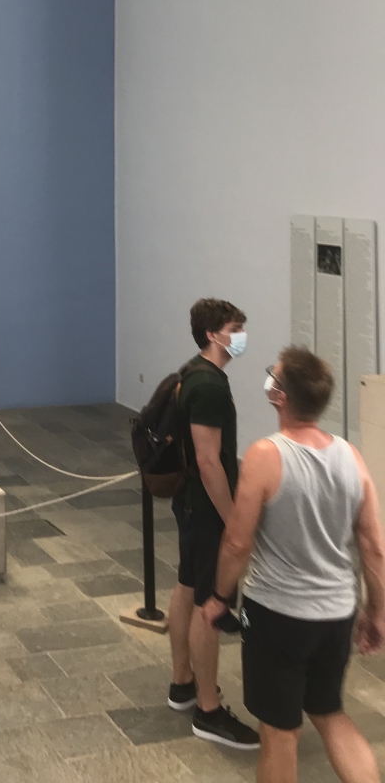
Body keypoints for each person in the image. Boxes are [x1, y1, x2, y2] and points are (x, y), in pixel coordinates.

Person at [203, 347, 385, 783]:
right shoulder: (351, 456)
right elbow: (374, 547)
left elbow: (237, 542)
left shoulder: (266, 455)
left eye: (274, 375)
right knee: (329, 712)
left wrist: (219, 597)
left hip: (277, 616)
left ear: (280, 396)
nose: (269, 379)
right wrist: (377, 611)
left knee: (279, 731)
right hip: (336, 615)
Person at [167, 298, 260, 748]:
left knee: (188, 587)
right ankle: (207, 710)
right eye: (234, 328)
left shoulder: (195, 374)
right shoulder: (207, 386)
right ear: (212, 334)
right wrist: (233, 519)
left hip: (192, 505)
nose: (240, 335)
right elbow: (209, 462)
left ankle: (183, 682)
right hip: (205, 509)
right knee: (210, 603)